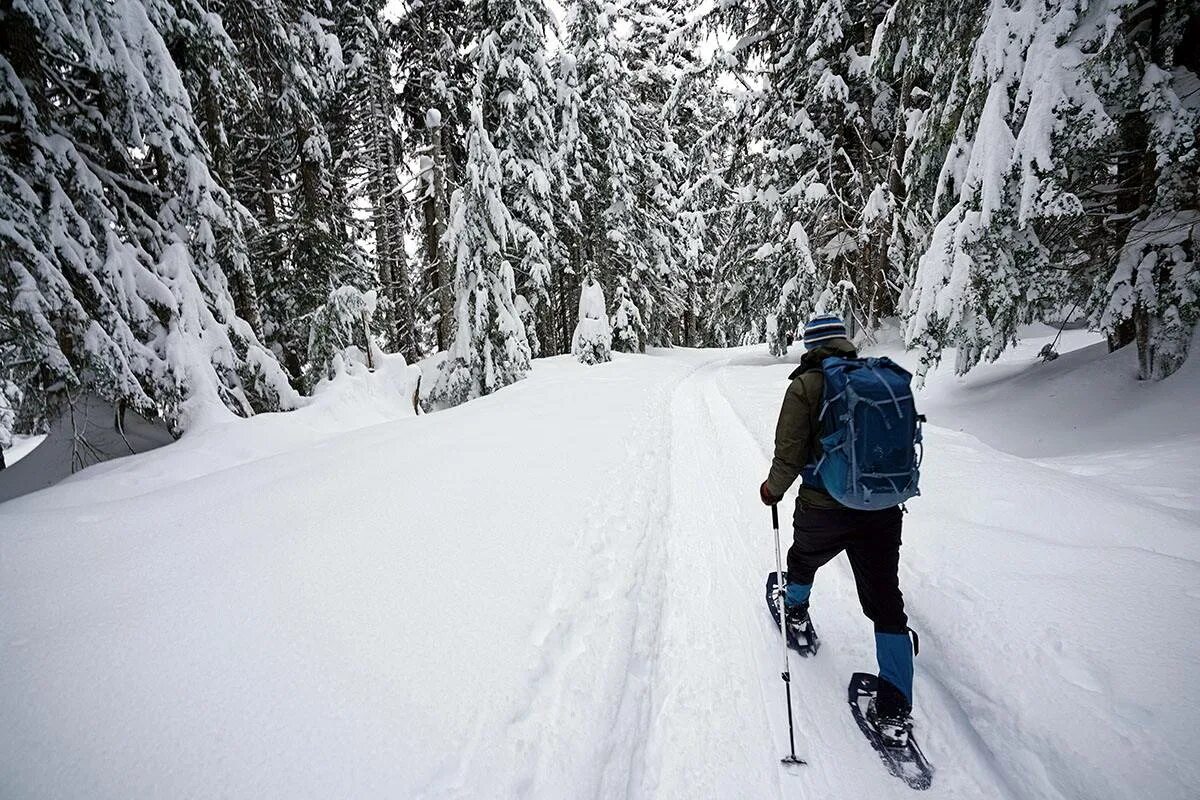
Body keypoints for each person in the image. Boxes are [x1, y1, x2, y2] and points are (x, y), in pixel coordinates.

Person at [759, 313, 915, 747]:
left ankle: (795, 608)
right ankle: (896, 705)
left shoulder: (806, 386)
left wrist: (772, 490)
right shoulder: (878, 377)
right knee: (886, 599)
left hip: (824, 506)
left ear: (811, 345)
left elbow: (789, 454)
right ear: (845, 343)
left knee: (801, 561)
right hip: (883, 508)